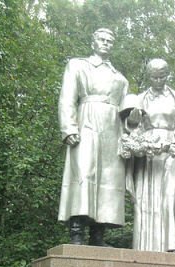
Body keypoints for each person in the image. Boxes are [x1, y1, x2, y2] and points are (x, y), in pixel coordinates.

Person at [58, 28, 129, 246]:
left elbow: (126, 111)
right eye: (102, 39)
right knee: (83, 174)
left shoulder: (120, 78)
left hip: (112, 128)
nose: (106, 43)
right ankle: (76, 231)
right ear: (93, 41)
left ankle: (98, 235)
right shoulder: (78, 65)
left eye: (110, 40)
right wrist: (69, 127)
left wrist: (130, 132)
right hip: (87, 121)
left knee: (108, 179)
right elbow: (67, 98)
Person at [123, 58, 175, 253]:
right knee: (147, 199)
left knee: (170, 197)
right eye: (154, 77)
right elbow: (133, 128)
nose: (158, 80)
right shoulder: (140, 98)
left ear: (167, 75)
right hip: (148, 155)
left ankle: (172, 246)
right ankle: (146, 248)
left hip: (172, 150)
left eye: (162, 76)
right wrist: (135, 130)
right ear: (149, 76)